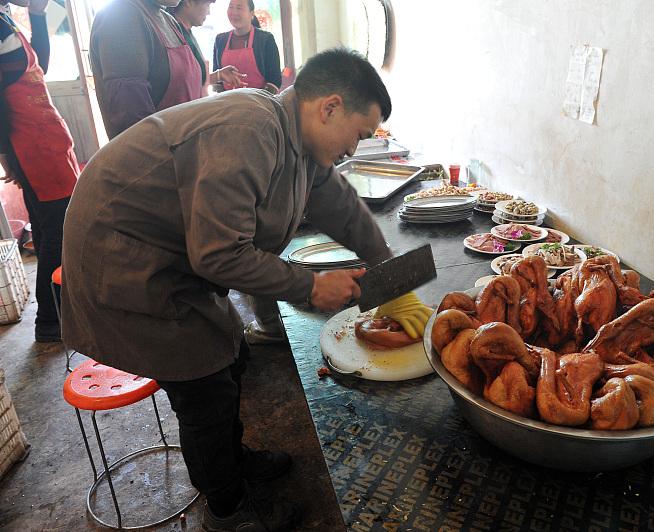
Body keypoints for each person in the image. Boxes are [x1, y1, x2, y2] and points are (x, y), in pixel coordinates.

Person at [61, 48, 431, 531]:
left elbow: (339, 204)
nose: (354, 150)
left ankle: (232, 460)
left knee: (233, 356)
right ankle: (227, 508)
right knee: (204, 385)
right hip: (125, 260)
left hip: (170, 256)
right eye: (359, 136)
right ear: (330, 107)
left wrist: (388, 269)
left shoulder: (296, 138)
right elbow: (217, 255)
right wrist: (309, 287)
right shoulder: (248, 129)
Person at [0, 0, 79, 342]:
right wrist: (7, 158)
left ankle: (57, 314)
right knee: (57, 233)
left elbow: (39, 66)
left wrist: (39, 14)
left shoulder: (6, 20)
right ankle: (50, 319)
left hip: (46, 140)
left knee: (50, 231)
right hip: (32, 146)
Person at [89, 0, 204, 138]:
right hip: (160, 154)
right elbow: (133, 121)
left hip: (185, 148)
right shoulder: (121, 15)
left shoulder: (168, 20)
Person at [167, 0, 245, 92]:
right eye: (207, 5)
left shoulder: (187, 33)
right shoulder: (173, 35)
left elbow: (193, 80)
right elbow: (180, 84)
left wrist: (218, 75)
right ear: (189, 2)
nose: (209, 12)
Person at [212, 0, 280, 93]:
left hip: (260, 103)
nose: (234, 12)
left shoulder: (265, 39)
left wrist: (254, 102)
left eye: (239, 8)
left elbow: (275, 80)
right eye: (231, 7)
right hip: (228, 103)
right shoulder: (220, 40)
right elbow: (217, 80)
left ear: (251, 14)